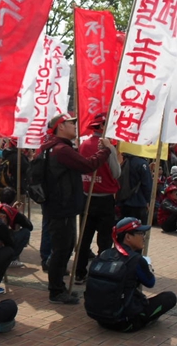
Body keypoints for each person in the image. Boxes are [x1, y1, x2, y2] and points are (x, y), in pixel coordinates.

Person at [40, 112, 111, 304]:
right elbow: (89, 165)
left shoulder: (51, 146)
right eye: (71, 123)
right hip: (62, 207)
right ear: (60, 127)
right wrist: (106, 150)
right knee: (62, 249)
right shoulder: (62, 149)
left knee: (64, 247)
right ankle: (56, 291)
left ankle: (58, 287)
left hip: (59, 206)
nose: (75, 126)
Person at [84, 217, 177, 332]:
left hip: (100, 319)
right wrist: (148, 266)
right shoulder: (135, 259)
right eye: (140, 233)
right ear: (128, 237)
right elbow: (150, 282)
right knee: (169, 298)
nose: (144, 237)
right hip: (125, 323)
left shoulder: (105, 253)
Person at [75, 112, 121, 285]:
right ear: (102, 127)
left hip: (86, 197)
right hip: (105, 199)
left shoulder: (83, 145)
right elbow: (116, 173)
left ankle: (79, 273)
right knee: (104, 240)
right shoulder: (108, 146)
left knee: (84, 238)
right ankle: (100, 274)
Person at [117, 153, 152, 225]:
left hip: (124, 201)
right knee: (138, 230)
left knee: (125, 228)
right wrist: (148, 200)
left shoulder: (124, 161)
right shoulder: (142, 164)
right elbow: (147, 185)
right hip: (138, 202)